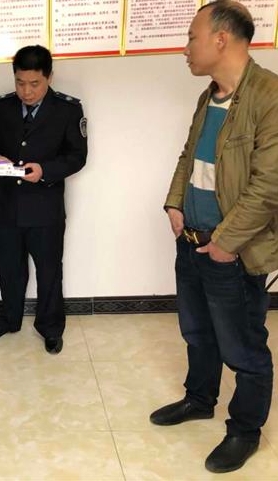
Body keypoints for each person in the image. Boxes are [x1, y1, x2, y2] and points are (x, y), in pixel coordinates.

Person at [150, 0, 278, 473]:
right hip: (192, 241)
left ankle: (245, 429)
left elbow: (269, 186)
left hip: (233, 252)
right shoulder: (209, 96)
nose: (186, 48)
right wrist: (174, 202)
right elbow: (189, 156)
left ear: (221, 39)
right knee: (198, 333)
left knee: (243, 346)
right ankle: (200, 399)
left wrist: (226, 243)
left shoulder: (269, 96)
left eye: (192, 37)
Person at [0, 45, 87, 354]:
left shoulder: (67, 110)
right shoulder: (1, 108)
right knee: (9, 268)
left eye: (34, 83)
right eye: (20, 82)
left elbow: (77, 156)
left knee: (49, 271)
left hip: (45, 210)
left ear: (49, 77)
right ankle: (9, 319)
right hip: (9, 207)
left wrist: (45, 171)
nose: (26, 91)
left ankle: (50, 327)